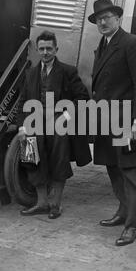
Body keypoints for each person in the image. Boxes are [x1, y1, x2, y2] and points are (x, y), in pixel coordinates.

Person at [88, 0, 136, 246]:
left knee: (129, 171)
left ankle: (132, 226)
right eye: (99, 19)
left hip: (126, 120)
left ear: (118, 18)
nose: (103, 22)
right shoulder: (103, 45)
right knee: (112, 167)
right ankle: (123, 211)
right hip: (105, 119)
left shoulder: (132, 44)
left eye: (107, 17)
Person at [17, 30, 91, 219]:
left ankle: (55, 205)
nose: (45, 52)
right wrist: (22, 127)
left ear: (56, 49)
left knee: (59, 162)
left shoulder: (68, 71)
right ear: (37, 50)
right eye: (41, 48)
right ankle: (41, 203)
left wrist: (66, 116)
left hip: (59, 124)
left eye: (49, 48)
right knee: (31, 159)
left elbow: (83, 98)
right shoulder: (30, 73)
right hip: (34, 122)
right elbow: (23, 102)